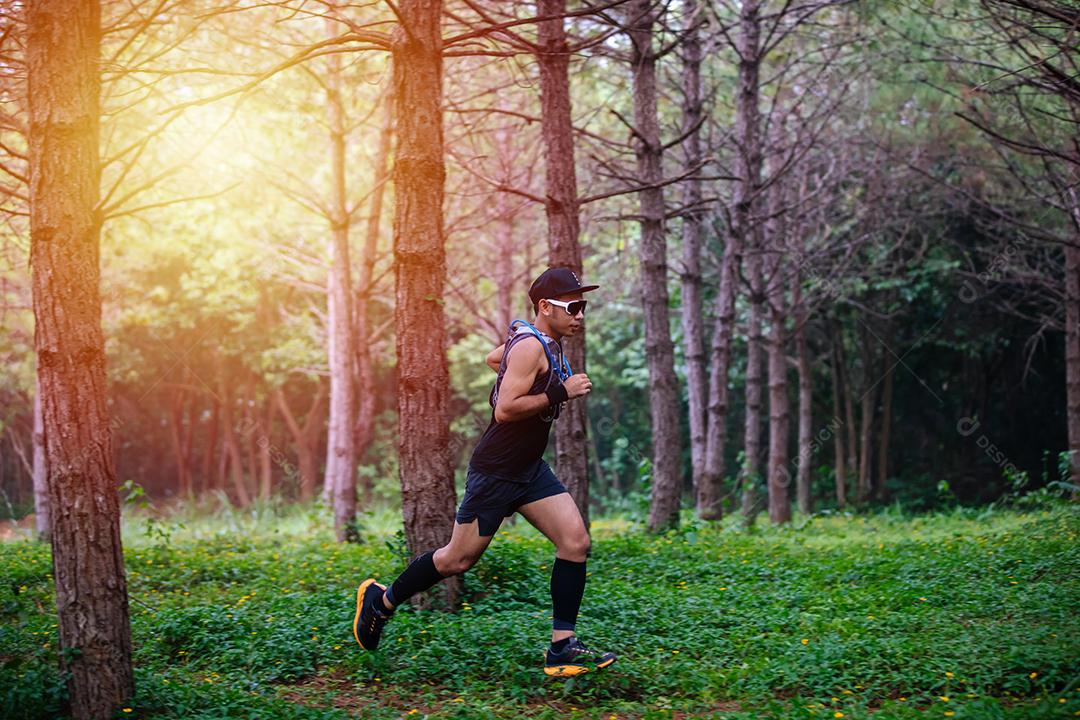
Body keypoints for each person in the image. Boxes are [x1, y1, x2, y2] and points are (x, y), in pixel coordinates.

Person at [352, 267, 616, 677]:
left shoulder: (543, 343)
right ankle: (380, 601)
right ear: (545, 307)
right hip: (496, 471)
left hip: (528, 469)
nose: (581, 315)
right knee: (457, 560)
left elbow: (495, 357)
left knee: (575, 542)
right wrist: (560, 391)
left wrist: (522, 368)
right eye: (574, 306)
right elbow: (505, 410)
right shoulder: (532, 346)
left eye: (584, 306)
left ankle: (561, 648)